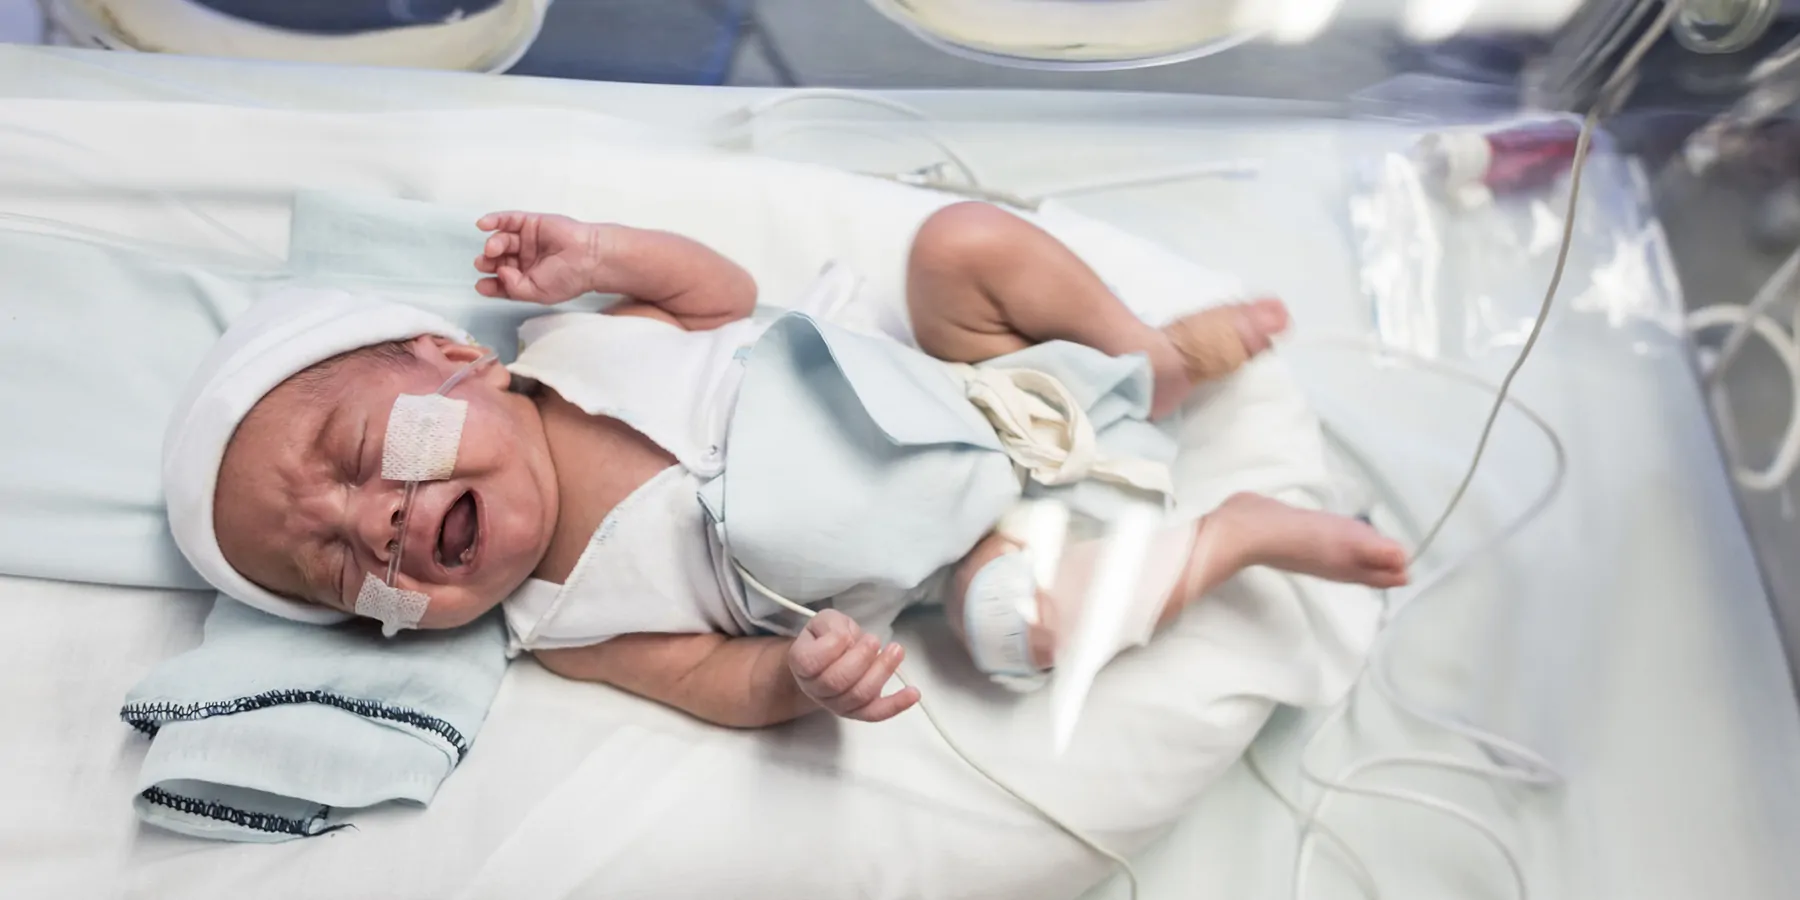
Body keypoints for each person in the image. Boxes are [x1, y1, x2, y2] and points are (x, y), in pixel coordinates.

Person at [182, 201, 1408, 729]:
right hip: (962, 554)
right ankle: (1237, 533)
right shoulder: (563, 624)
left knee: (958, 244)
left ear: (459, 355)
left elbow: (718, 294)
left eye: (360, 456)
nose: (378, 526)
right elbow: (716, 683)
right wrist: (805, 683)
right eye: (341, 568)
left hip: (967, 372)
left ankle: (1149, 357)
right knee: (1019, 635)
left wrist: (603, 250)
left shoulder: (575, 346)